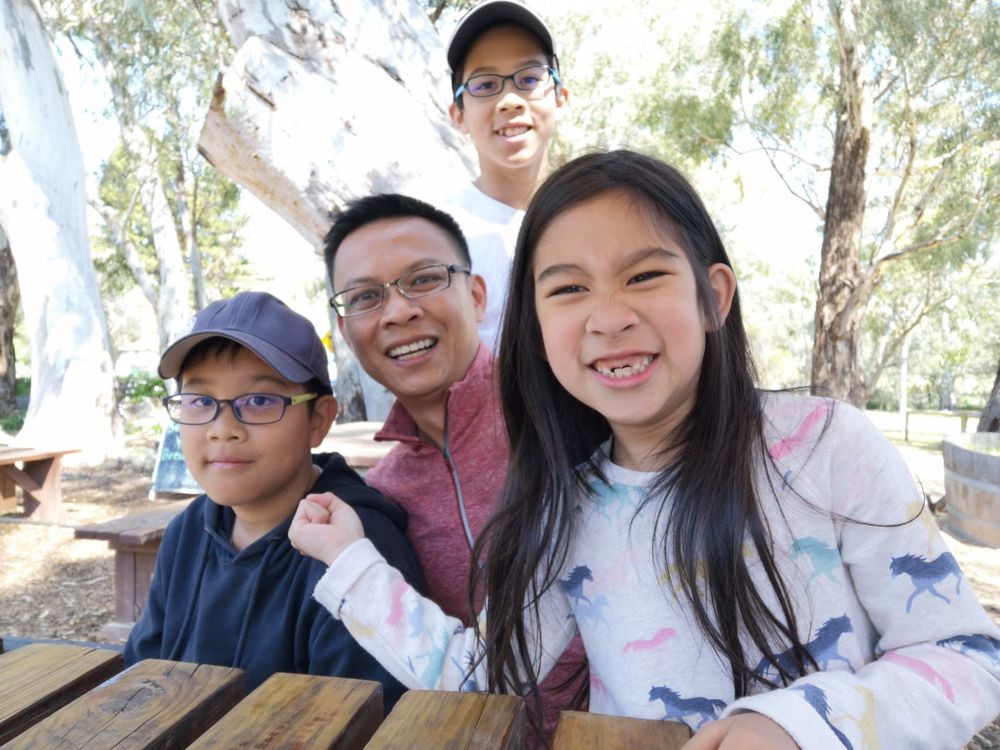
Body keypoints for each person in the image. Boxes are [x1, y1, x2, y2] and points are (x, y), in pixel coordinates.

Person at [292, 151, 1000, 748]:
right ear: (536, 328)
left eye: (645, 275)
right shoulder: (562, 507)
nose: (609, 317)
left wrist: (799, 725)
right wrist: (351, 561)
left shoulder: (824, 444)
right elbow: (482, 675)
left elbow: (966, 655)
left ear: (712, 297)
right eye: (569, 289)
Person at [323, 193, 587, 739]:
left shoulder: (572, 416)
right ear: (346, 331)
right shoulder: (384, 493)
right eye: (366, 296)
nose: (398, 312)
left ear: (477, 295)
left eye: (423, 279)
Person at [124, 290, 425, 709]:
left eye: (260, 401)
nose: (223, 428)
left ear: (318, 420)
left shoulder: (353, 551)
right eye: (200, 401)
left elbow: (372, 721)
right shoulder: (188, 531)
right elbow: (143, 671)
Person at [439, 0, 569, 349]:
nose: (510, 101)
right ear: (459, 115)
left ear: (560, 97)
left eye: (529, 79)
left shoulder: (597, 216)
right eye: (485, 85)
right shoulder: (439, 239)